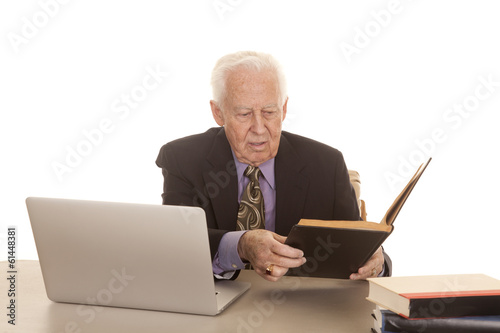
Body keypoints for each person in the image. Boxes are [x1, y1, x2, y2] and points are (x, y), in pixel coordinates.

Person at [156, 51, 391, 282]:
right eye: (244, 113)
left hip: (300, 310)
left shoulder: (326, 165)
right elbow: (176, 244)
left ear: (284, 109)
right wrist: (240, 245)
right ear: (218, 113)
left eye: (269, 112)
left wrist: (376, 263)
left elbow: (359, 247)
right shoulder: (182, 159)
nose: (259, 128)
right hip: (211, 305)